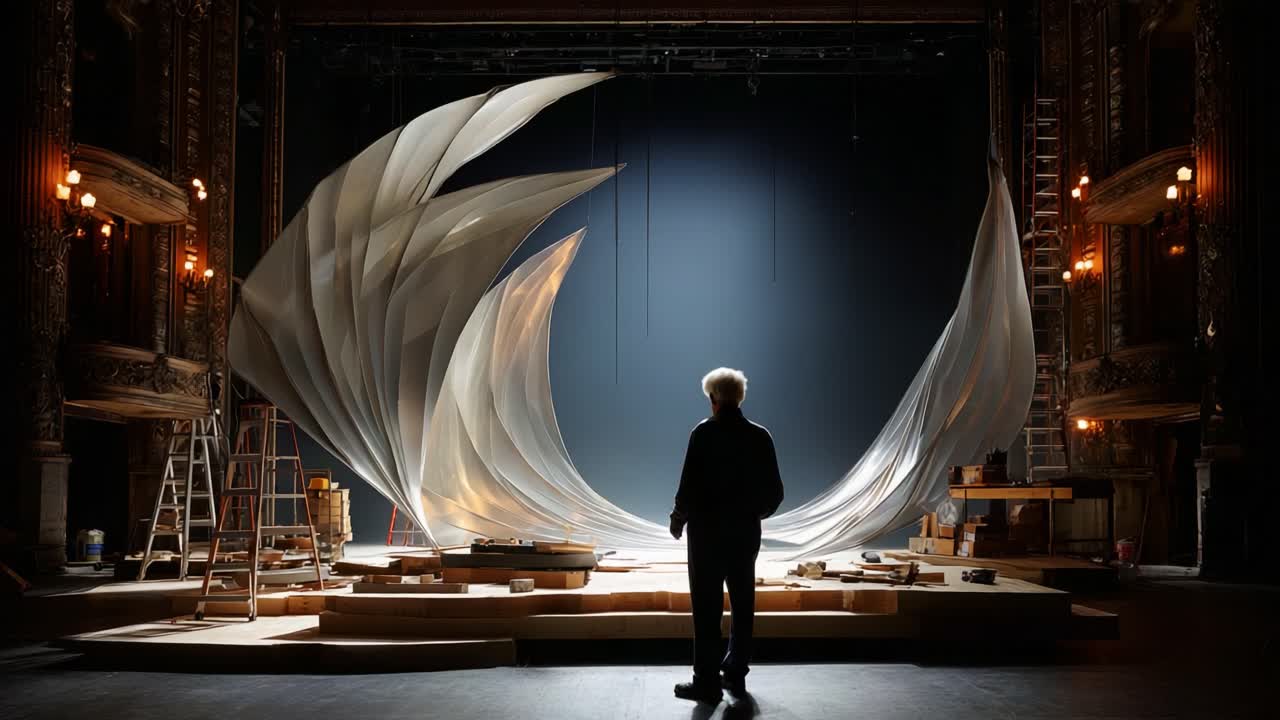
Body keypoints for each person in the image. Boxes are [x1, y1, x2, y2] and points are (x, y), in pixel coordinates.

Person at [669, 367, 784, 705]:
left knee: (706, 608)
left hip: (706, 535)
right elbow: (774, 493)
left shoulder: (703, 434)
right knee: (742, 602)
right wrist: (751, 515)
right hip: (744, 534)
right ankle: (735, 672)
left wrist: (679, 518)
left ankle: (706, 681)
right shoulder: (760, 436)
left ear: (713, 399)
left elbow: (688, 487)